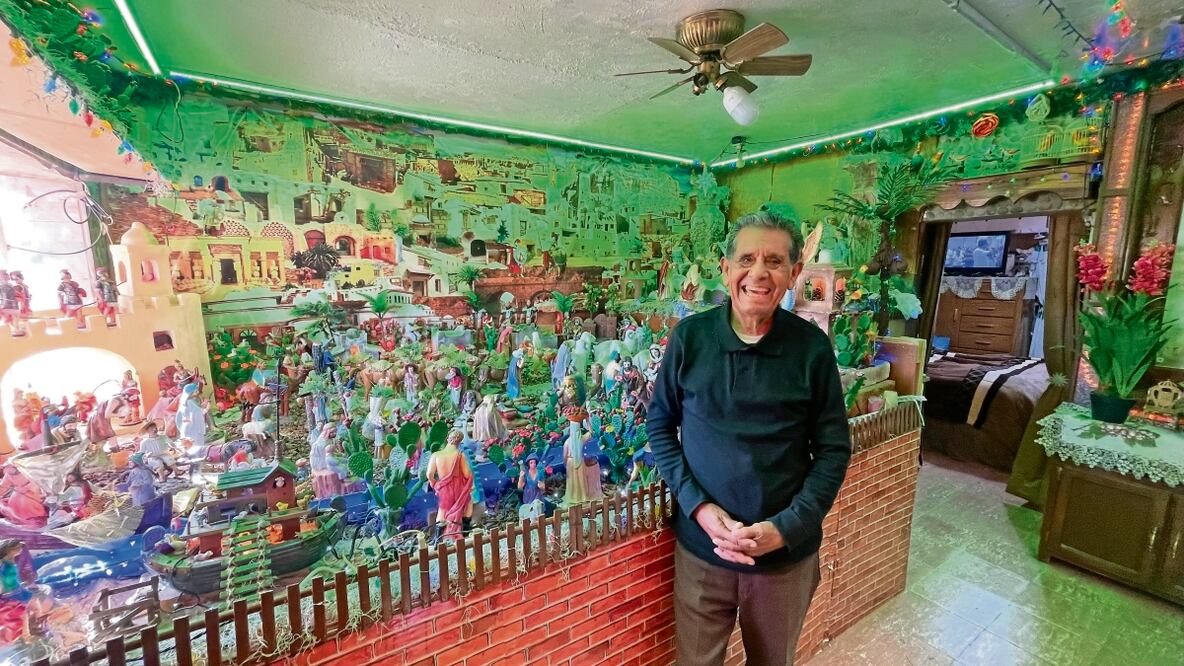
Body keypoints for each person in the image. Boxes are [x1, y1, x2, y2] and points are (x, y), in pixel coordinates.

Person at [646, 210, 851, 666]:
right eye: (747, 258)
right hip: (702, 554)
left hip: (784, 562)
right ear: (725, 268)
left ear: (795, 273)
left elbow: (834, 449)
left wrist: (786, 528)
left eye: (775, 261)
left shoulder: (812, 349)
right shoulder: (690, 339)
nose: (758, 273)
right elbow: (660, 425)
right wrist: (698, 507)